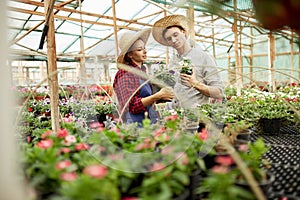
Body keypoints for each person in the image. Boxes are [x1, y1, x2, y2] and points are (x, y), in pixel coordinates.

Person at [152, 15, 224, 109]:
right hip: (176, 116)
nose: (173, 40)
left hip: (197, 117)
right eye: (169, 39)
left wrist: (195, 83)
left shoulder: (203, 57)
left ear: (183, 32)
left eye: (175, 35)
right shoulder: (173, 61)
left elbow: (218, 92)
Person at [113, 28, 174, 125]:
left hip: (149, 122)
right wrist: (157, 96)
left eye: (144, 48)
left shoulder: (142, 72)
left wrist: (162, 97)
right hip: (135, 125)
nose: (145, 51)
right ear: (130, 55)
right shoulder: (124, 73)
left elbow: (146, 98)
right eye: (139, 49)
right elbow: (131, 105)